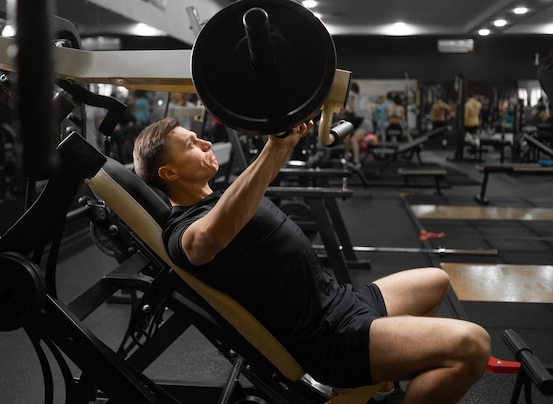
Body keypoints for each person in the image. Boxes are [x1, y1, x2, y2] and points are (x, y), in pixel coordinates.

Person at [132, 117, 491, 403]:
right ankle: (373, 370)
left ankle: (380, 387)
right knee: (471, 346)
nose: (207, 143)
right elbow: (208, 239)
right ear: (169, 173)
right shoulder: (183, 232)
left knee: (435, 281)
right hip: (328, 338)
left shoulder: (220, 200)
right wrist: (274, 147)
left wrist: (285, 142)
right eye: (191, 145)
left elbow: (247, 191)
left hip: (342, 301)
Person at [455, 93, 482, 161]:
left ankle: (459, 154)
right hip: (475, 123)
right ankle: (473, 154)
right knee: (473, 139)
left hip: (468, 124)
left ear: (468, 97)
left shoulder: (467, 105)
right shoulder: (478, 104)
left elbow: (465, 116)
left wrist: (462, 125)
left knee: (462, 139)